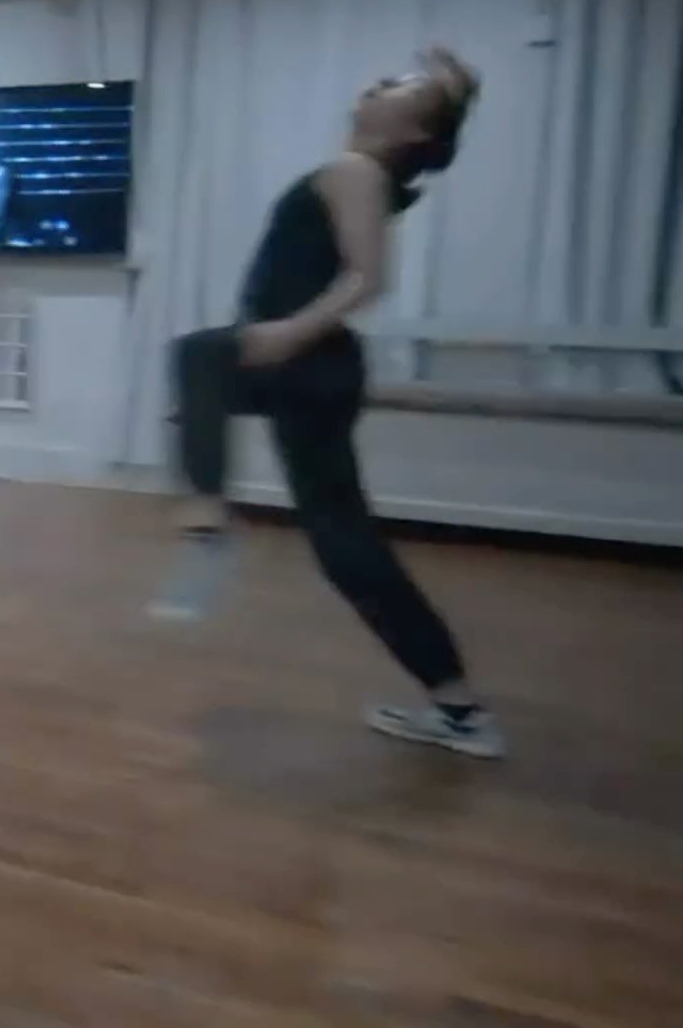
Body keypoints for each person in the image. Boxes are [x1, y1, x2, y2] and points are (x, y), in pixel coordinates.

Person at [171, 48, 504, 759]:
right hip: (316, 372)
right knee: (346, 547)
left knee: (199, 357)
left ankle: (207, 519)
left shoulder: (355, 171)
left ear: (413, 129)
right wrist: (457, 93)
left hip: (305, 360)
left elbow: (368, 278)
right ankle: (459, 710)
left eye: (399, 87)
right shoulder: (372, 175)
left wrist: (291, 331)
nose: (379, 83)